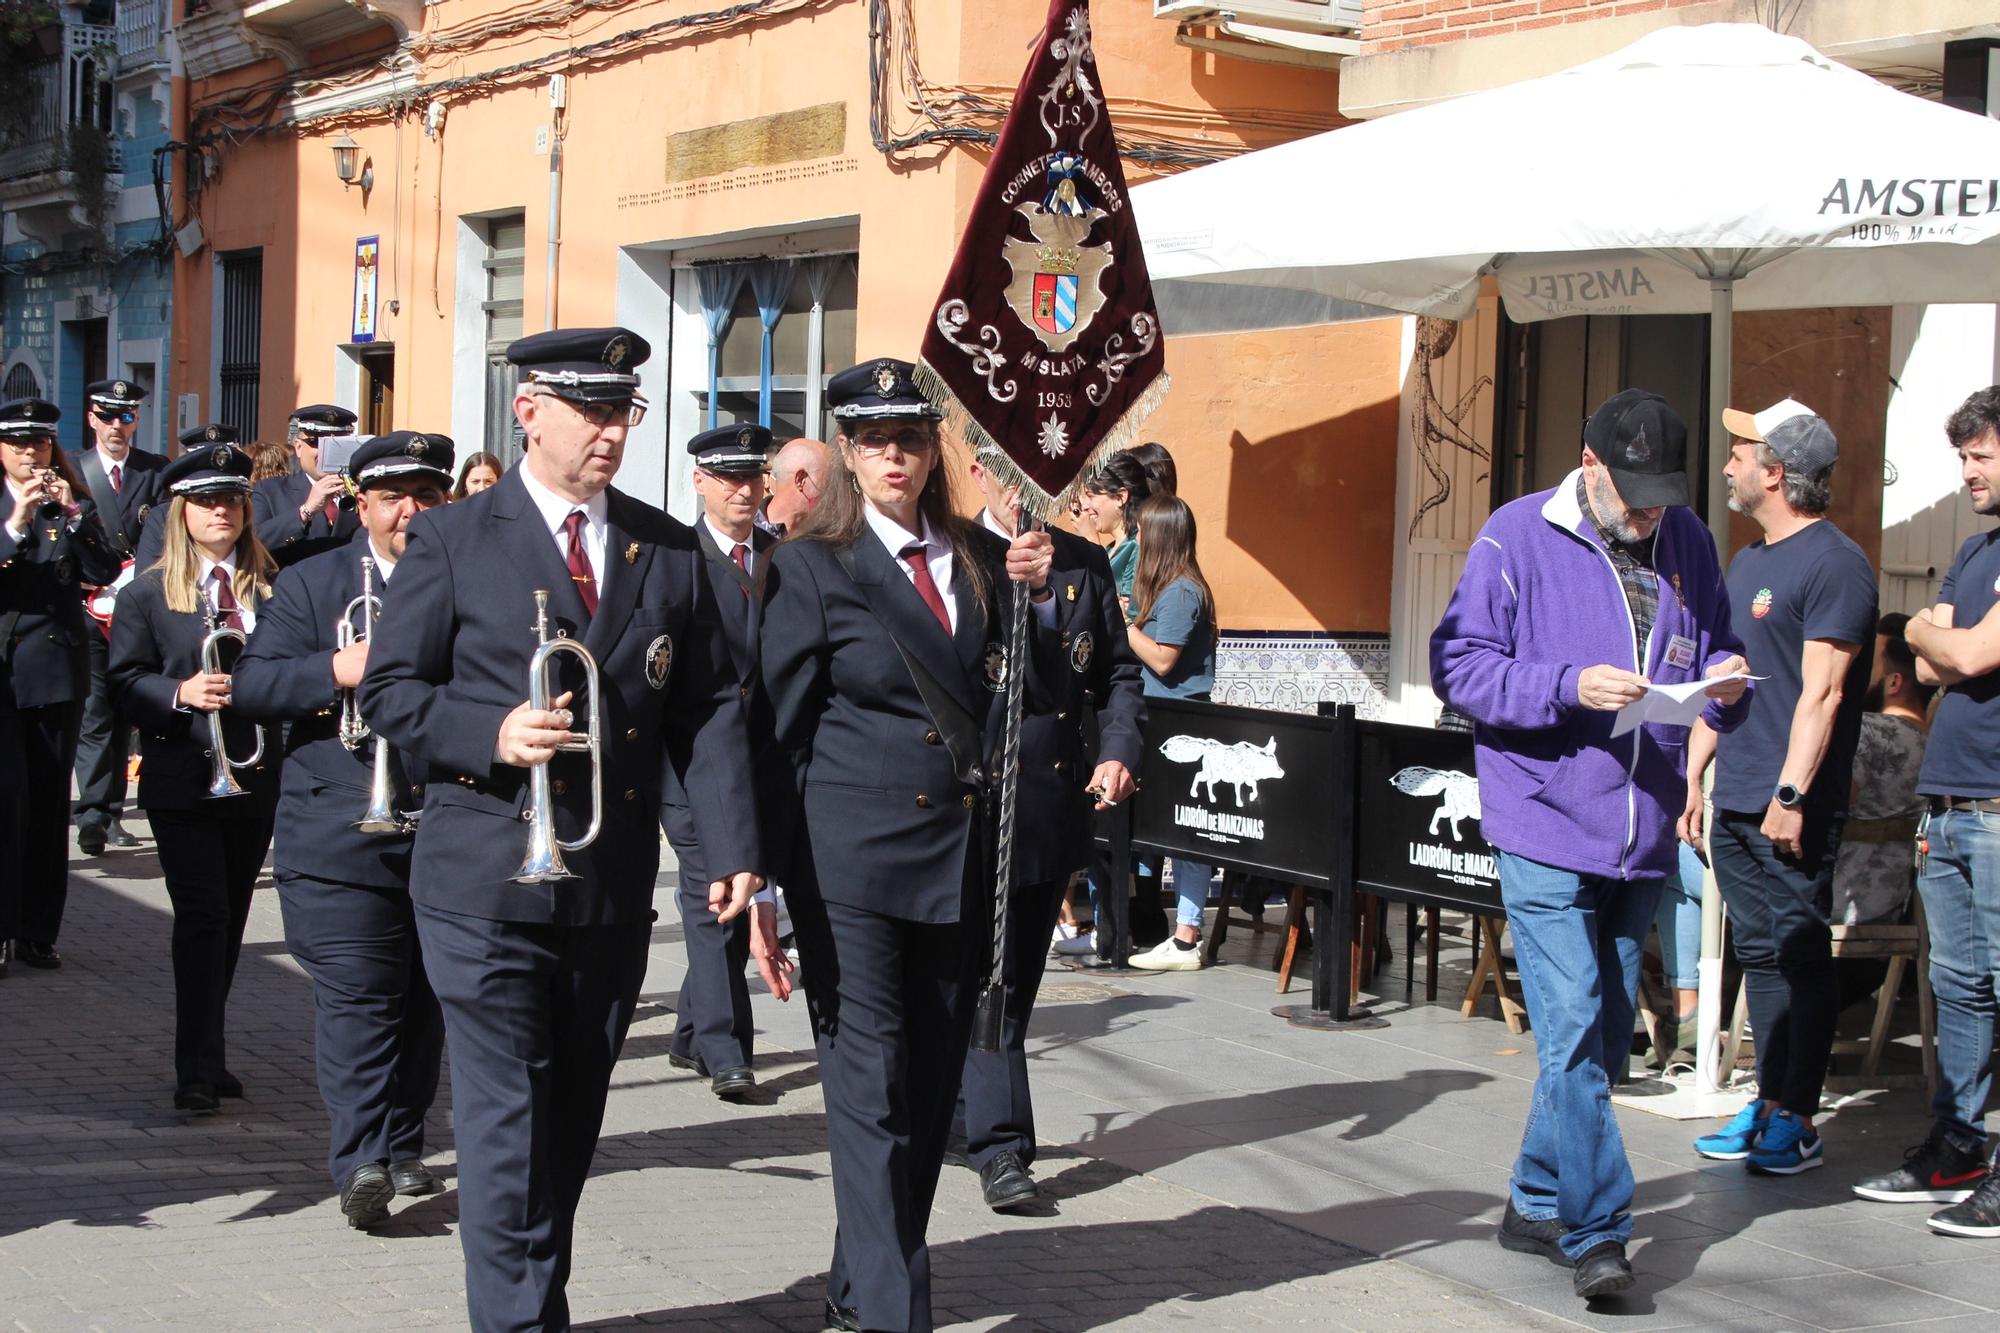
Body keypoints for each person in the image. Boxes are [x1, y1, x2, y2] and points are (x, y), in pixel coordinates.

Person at [357, 327, 782, 1330]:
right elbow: (388, 691)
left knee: (567, 1124)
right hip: (482, 877)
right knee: (506, 1122)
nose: (607, 433)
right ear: (528, 410)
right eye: (589, 411)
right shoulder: (455, 537)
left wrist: (731, 849)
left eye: (622, 413)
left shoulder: (664, 547)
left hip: (604, 884)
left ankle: (531, 1303)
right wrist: (489, 731)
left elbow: (712, 705)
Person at [759, 356, 1058, 1332]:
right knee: (871, 1092)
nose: (895, 455)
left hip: (959, 864)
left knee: (928, 1102)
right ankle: (894, 1314)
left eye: (912, 438)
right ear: (846, 451)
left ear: (935, 451)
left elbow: (1025, 694)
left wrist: (1039, 602)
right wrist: (761, 880)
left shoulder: (979, 556)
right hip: (850, 868)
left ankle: (857, 1291)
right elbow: (777, 730)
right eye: (875, 439)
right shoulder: (810, 564)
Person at [1432, 389, 1751, 1300]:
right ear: (1589, 463)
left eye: (1664, 496)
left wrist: (1729, 681)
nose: (1650, 513)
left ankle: (1535, 1196)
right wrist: (1568, 684)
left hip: (1642, 824)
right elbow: (1456, 663)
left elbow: (1719, 649)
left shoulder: (1686, 539)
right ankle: (1598, 1232)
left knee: (1605, 1039)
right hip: (1542, 818)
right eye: (1635, 494)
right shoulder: (1515, 534)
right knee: (1571, 1029)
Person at [233, 432, 454, 1230]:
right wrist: (335, 669)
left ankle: (402, 1139)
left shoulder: (470, 580)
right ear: (362, 505)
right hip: (339, 824)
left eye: (427, 494)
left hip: (445, 823)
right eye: (394, 496)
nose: (411, 511)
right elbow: (252, 685)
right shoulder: (312, 582)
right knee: (360, 997)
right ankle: (360, 1158)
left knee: (426, 997)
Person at [1681, 400, 1875, 1176]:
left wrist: (1791, 796)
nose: (1727, 465)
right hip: (1736, 794)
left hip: (1789, 803)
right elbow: (1726, 680)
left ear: (1777, 470)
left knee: (1800, 956)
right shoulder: (1749, 560)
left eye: (1740, 452)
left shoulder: (1836, 562)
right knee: (1760, 955)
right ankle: (1766, 1098)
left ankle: (1798, 1113)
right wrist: (1692, 771)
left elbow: (1822, 693)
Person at [948, 446, 1144, 1209]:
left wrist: (1121, 748)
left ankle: (962, 1117)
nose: (1024, 490)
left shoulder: (1083, 562)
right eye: (1007, 471)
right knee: (982, 974)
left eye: (1038, 475)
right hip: (971, 803)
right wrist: (1016, 592)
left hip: (1046, 805)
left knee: (1015, 980)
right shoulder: (954, 553)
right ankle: (1001, 1144)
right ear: (978, 474)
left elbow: (1116, 673)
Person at [1852, 384, 2000, 1237]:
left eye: (1980, 455)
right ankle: (1959, 1144)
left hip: (1995, 804)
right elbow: (1942, 664)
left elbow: (1967, 649)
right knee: (1958, 987)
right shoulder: (1978, 554)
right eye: (1963, 456)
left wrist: (1925, 632)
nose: (1968, 470)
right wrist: (1931, 637)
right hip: (1946, 805)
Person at [109, 430, 280, 1110]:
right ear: (181, 510)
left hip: (256, 771)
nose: (221, 513)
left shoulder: (274, 586)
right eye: (207, 502)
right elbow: (123, 681)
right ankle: (195, 1067)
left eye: (233, 501)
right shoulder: (148, 594)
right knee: (202, 914)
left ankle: (213, 1048)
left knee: (233, 915)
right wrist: (178, 692)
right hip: (183, 773)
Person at [662, 422, 778, 1101]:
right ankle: (726, 1048)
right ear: (700, 480)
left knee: (735, 890)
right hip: (695, 764)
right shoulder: (677, 556)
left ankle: (688, 1028)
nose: (742, 489)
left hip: (764, 761)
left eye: (751, 476)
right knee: (714, 896)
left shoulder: (783, 554)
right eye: (727, 477)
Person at [2, 398, 120, 970]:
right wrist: (16, 524)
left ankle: (37, 930)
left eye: (41, 443)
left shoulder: (70, 505)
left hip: (53, 673)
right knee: (7, 803)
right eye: (19, 443)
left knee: (48, 804)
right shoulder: (9, 508)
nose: (31, 453)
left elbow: (103, 571)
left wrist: (73, 515)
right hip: (3, 673)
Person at [1123, 493, 1220, 972]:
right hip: (1160, 720)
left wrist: (1124, 626)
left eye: (1141, 530)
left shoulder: (1182, 591)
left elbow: (1163, 658)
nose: (1136, 538)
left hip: (1180, 721)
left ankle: (1187, 937)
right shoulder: (1167, 589)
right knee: (1164, 828)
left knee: (1186, 830)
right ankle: (1165, 928)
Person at [69, 378, 164, 856]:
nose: (116, 427)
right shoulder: (72, 471)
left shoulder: (155, 471)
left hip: (136, 610)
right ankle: (91, 812)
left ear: (136, 422)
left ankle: (112, 812)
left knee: (128, 710)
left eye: (125, 417)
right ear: (92, 419)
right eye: (107, 417)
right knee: (95, 711)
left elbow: (168, 531)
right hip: (87, 610)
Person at [251, 405, 361, 557]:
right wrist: (305, 512)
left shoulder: (363, 492)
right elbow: (253, 544)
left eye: (337, 443)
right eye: (316, 442)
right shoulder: (270, 491)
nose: (326, 452)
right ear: (298, 447)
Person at [1073, 450, 1151, 613]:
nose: (1086, 506)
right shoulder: (1110, 549)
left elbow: (1129, 614)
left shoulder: (1137, 547)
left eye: (1091, 496)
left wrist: (1091, 541)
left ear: (1119, 497)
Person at [757, 435, 830, 538]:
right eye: (828, 480)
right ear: (801, 480)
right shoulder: (746, 531)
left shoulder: (825, 538)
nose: (834, 490)